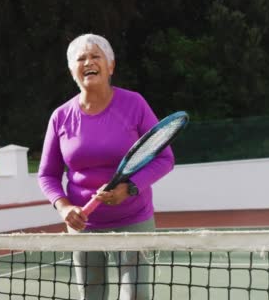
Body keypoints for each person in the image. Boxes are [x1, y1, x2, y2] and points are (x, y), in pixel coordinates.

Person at [37, 33, 175, 300]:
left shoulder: (134, 104)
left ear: (110, 66)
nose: (88, 61)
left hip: (134, 220)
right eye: (81, 58)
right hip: (84, 227)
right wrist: (64, 207)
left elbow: (164, 158)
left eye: (95, 56)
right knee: (92, 297)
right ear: (72, 71)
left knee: (136, 296)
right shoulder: (60, 117)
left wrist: (130, 188)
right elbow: (47, 174)